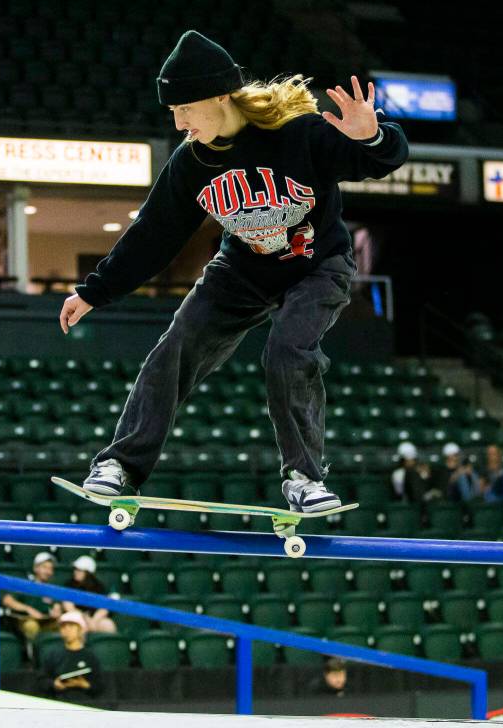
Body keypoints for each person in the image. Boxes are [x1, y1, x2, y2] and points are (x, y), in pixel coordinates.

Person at [59, 30, 409, 512]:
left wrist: (372, 134)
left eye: (185, 108)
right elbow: (154, 235)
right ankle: (121, 465)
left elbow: (382, 160)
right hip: (241, 271)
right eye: (174, 112)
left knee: (288, 350)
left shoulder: (298, 134)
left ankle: (305, 478)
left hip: (317, 266)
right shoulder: (192, 161)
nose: (180, 122)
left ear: (220, 94)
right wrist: (94, 291)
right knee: (176, 346)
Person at [40, 611, 104, 702]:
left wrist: (85, 685)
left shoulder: (90, 656)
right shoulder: (53, 654)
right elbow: (41, 681)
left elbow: (100, 686)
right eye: (63, 626)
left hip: (85, 703)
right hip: (58, 702)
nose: (66, 630)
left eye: (71, 626)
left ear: (81, 629)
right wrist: (53, 684)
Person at [0, 551, 65, 642]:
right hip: (27, 621)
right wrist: (28, 609)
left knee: (66, 624)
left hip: (46, 621)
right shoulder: (26, 585)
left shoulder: (52, 588)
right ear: (36, 568)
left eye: (50, 568)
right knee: (31, 626)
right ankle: (33, 654)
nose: (48, 571)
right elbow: (7, 600)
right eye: (44, 567)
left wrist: (57, 609)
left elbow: (57, 606)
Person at [61, 556, 116, 634]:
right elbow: (68, 606)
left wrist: (94, 620)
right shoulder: (69, 584)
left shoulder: (98, 586)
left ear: (88, 573)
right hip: (77, 618)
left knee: (108, 625)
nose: (75, 572)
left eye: (79, 570)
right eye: (75, 569)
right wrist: (84, 618)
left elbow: (105, 607)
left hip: (94, 619)